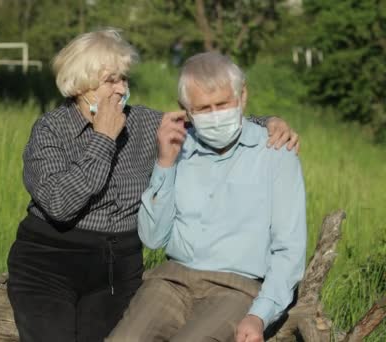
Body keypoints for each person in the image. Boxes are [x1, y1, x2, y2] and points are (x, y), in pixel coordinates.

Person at [6, 29, 300, 342]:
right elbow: (60, 204)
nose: (121, 89)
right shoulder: (50, 130)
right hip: (51, 260)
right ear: (81, 85)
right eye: (110, 81)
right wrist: (103, 139)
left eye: (124, 79)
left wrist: (270, 122)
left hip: (116, 268)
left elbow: (206, 119)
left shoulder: (142, 123)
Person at [106, 51, 307, 342]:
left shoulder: (276, 153)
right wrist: (164, 164)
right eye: (203, 108)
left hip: (237, 288)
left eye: (223, 104)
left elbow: (288, 249)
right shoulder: (177, 146)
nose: (215, 116)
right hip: (171, 280)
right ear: (185, 110)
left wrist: (259, 314)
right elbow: (152, 238)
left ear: (242, 96)